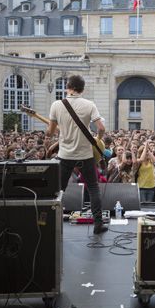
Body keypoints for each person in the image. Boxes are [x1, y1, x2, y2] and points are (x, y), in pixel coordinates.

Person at [46, 75, 107, 235]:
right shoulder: (89, 105)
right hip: (85, 154)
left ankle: (52, 223)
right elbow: (101, 127)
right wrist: (97, 139)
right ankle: (98, 224)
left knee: (59, 190)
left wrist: (52, 131)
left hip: (65, 154)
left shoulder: (56, 105)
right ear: (82, 89)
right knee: (93, 189)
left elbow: (50, 132)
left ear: (68, 87)